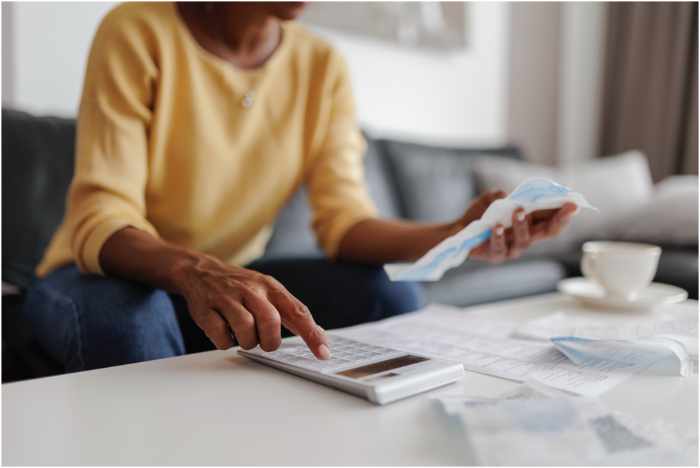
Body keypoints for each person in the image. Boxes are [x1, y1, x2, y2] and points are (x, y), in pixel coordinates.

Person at [25, 2, 576, 373]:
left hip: (228, 280)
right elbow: (103, 215)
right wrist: (197, 269)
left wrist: (455, 234)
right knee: (134, 319)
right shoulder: (138, 29)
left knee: (391, 292)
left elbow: (345, 224)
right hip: (103, 272)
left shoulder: (321, 66)